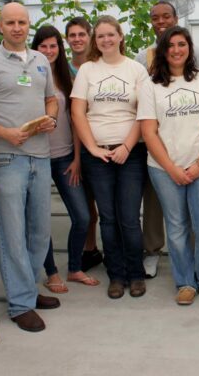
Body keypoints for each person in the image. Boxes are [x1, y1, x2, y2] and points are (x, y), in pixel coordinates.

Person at [0, 2, 60, 333]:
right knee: (13, 233)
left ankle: (28, 289)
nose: (17, 28)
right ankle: (20, 303)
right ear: (0, 27)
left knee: (39, 230)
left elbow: (51, 98)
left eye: (22, 22)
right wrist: (4, 132)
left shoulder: (40, 61)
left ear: (29, 24)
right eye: (10, 22)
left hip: (40, 155)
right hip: (7, 158)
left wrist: (51, 116)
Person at [137, 26, 199, 305]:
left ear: (190, 48)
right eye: (170, 45)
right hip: (164, 168)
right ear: (162, 50)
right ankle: (185, 282)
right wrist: (172, 168)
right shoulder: (151, 85)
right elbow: (149, 132)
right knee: (176, 227)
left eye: (182, 44)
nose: (176, 50)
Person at [71, 16, 149, 299]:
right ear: (96, 40)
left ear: (120, 36)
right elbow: (78, 111)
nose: (105, 40)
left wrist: (127, 146)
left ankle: (136, 273)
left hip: (131, 153)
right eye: (100, 36)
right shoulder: (88, 70)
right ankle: (116, 275)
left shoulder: (136, 70)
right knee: (107, 218)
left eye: (110, 35)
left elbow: (144, 112)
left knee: (128, 217)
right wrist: (92, 148)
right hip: (98, 154)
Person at [31, 26, 99, 294]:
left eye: (53, 46)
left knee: (82, 216)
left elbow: (76, 120)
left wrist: (78, 158)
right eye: (43, 46)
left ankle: (74, 268)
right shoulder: (31, 78)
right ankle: (51, 272)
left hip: (64, 158)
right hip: (36, 158)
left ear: (60, 49)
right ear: (35, 48)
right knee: (40, 220)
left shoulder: (67, 77)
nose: (48, 51)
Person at [135, 1, 182, 278]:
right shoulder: (144, 57)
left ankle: (188, 252)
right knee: (153, 200)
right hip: (155, 137)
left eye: (167, 16)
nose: (161, 21)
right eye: (155, 17)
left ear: (176, 18)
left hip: (187, 136)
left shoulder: (193, 50)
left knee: (186, 205)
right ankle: (152, 250)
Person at [64, 17, 103, 272]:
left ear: (90, 36)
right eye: (72, 35)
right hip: (69, 144)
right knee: (85, 203)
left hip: (99, 141)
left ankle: (104, 248)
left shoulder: (98, 67)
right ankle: (89, 249)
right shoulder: (62, 69)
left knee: (105, 204)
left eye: (81, 34)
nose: (77, 39)